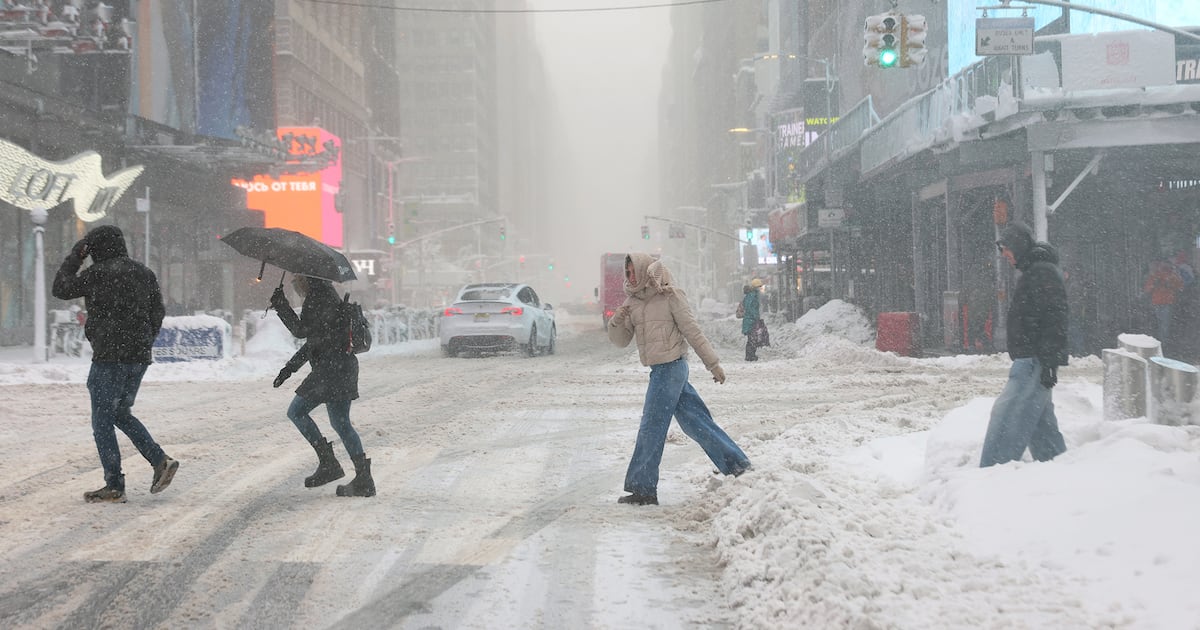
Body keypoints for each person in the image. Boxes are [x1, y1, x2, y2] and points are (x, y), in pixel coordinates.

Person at [608, 253, 751, 505]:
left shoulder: (669, 295)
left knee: (651, 427)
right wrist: (616, 321)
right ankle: (737, 464)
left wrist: (713, 364)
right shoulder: (633, 302)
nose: (629, 277)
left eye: (633, 271)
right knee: (697, 423)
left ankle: (643, 489)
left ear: (643, 270)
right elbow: (620, 341)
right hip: (661, 371)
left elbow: (692, 330)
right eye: (627, 272)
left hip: (671, 369)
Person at [51, 225, 178, 503]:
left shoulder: (96, 274)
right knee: (120, 412)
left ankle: (114, 484)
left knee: (102, 421)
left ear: (95, 248)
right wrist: (143, 340)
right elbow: (158, 311)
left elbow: (60, 288)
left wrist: (76, 256)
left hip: (110, 356)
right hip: (137, 356)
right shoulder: (144, 273)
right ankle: (160, 461)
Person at [271, 274, 375, 497]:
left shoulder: (318, 298)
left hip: (330, 370)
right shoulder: (328, 296)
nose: (296, 285)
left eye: (297, 280)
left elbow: (301, 332)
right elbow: (313, 343)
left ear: (307, 278)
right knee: (341, 423)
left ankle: (329, 464)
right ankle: (363, 478)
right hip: (343, 367)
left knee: (297, 412)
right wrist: (289, 369)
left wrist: (281, 305)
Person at [980, 222, 1069, 467]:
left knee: (1007, 417)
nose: (1004, 255)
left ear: (1018, 246)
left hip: (1033, 360)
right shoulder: (1038, 271)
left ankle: (990, 474)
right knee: (1041, 426)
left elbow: (1055, 317)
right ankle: (1058, 468)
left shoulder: (1041, 273)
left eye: (1006, 249)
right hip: (1037, 358)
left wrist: (1049, 360)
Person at [1143, 259, 1183, 348]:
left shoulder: (1165, 275)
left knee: (1161, 324)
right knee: (1162, 324)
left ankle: (1160, 343)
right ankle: (1161, 343)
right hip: (1162, 302)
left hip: (1162, 302)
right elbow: (1147, 289)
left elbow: (1179, 286)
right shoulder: (1160, 275)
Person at [740, 279, 763, 361]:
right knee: (752, 339)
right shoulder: (752, 296)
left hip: (750, 320)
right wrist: (756, 317)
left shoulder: (751, 295)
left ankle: (750, 355)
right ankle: (750, 356)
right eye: (759, 287)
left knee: (752, 338)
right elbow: (751, 308)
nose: (760, 289)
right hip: (751, 321)